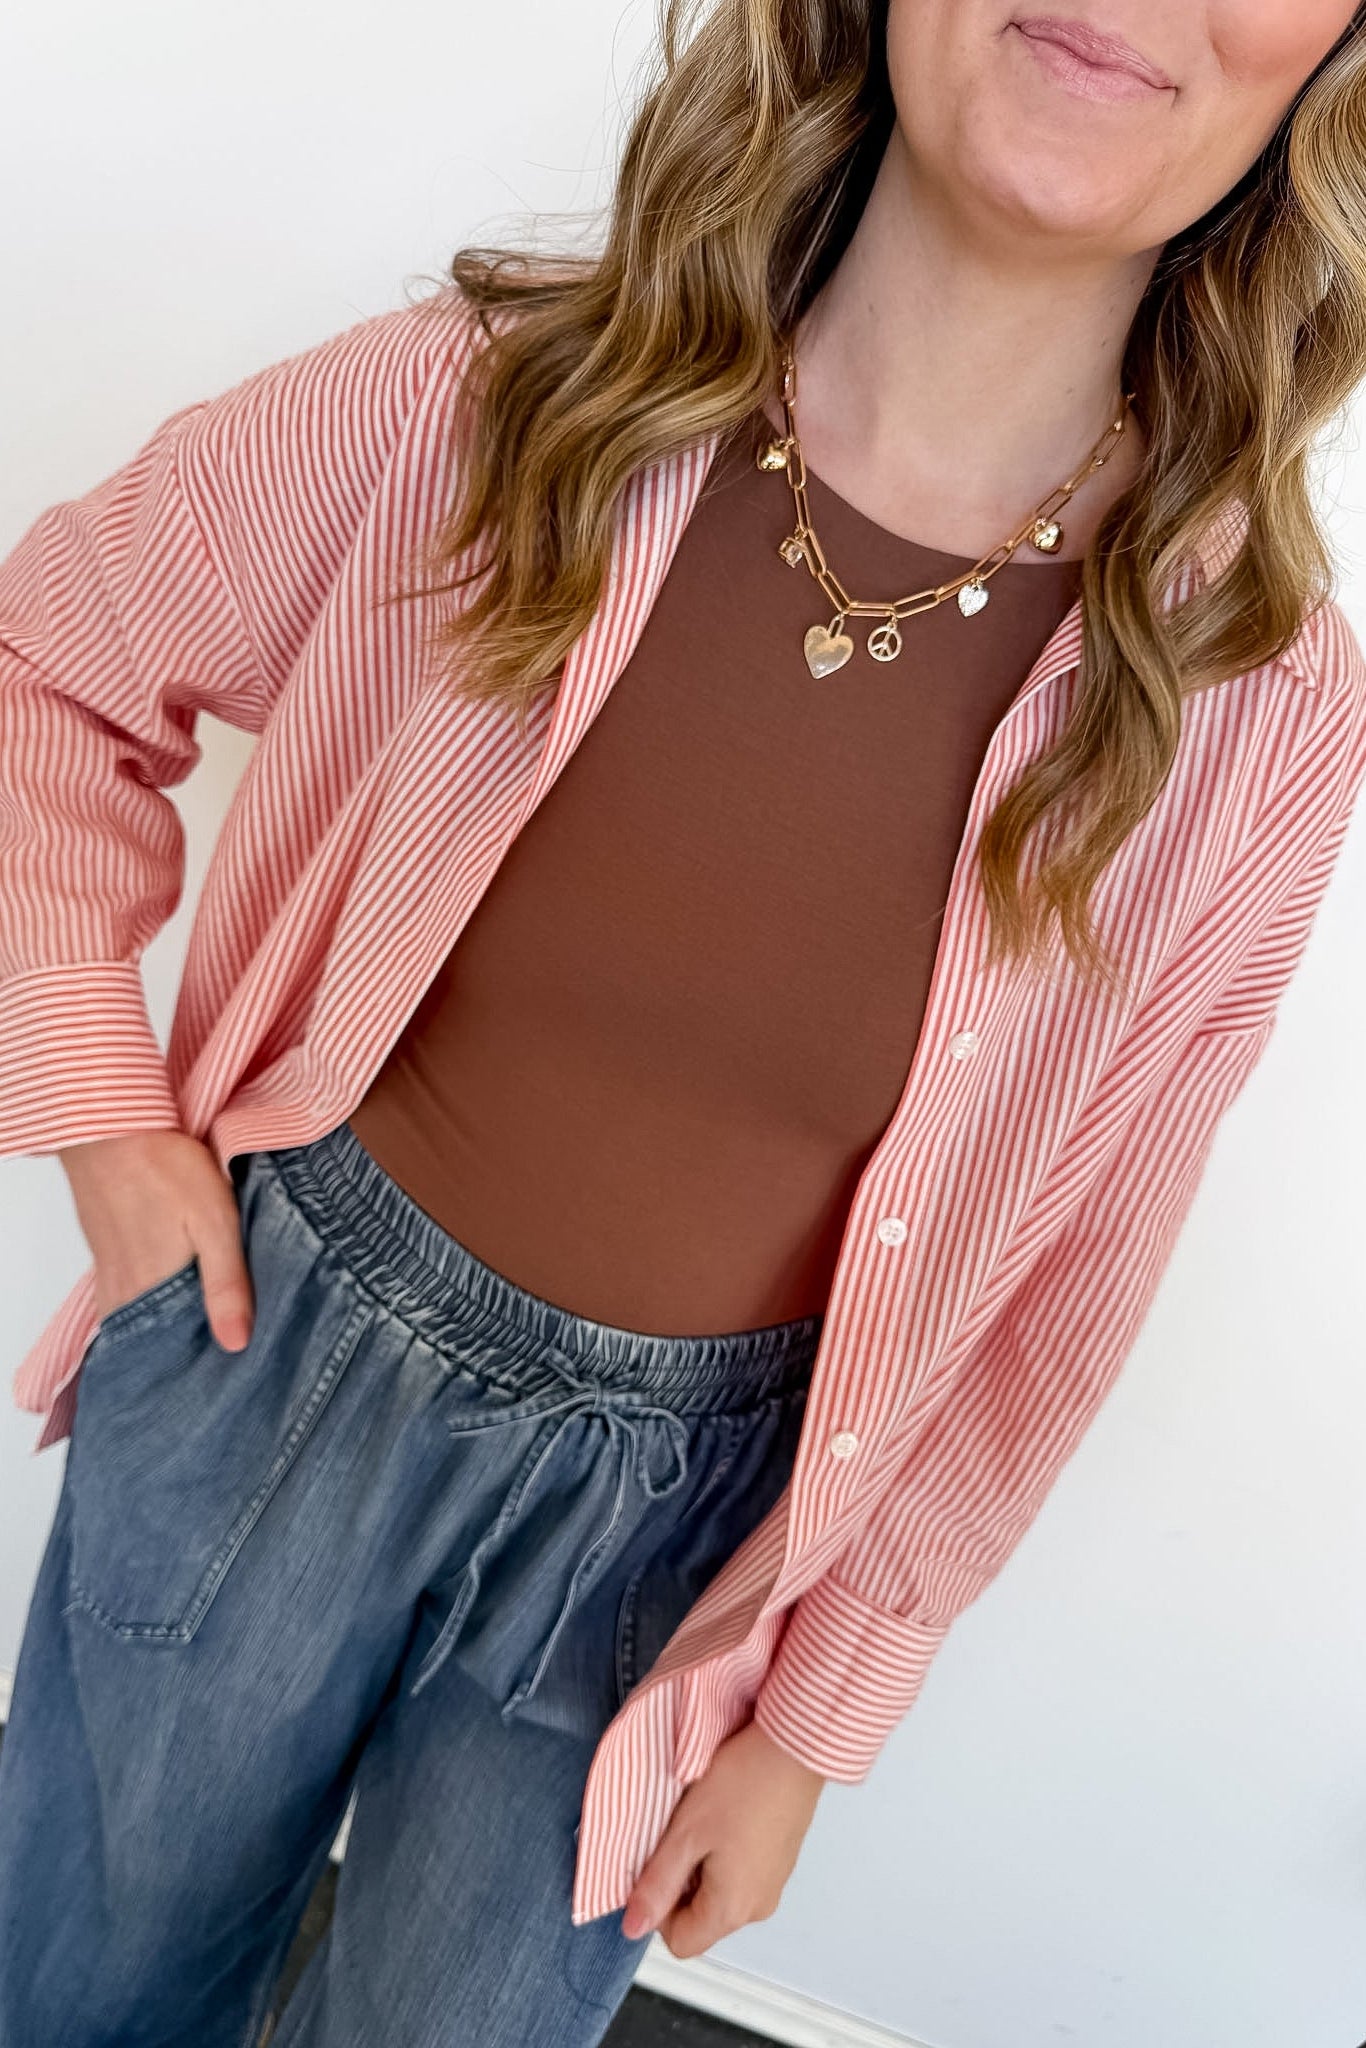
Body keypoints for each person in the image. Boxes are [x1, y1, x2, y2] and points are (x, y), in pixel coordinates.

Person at [2, 2, 1365, 2043]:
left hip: (677, 1558)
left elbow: (1059, 1291)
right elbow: (51, 664)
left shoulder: (1258, 714)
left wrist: (817, 1718)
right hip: (269, 1352)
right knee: (76, 1986)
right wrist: (103, 1114)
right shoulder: (497, 401)